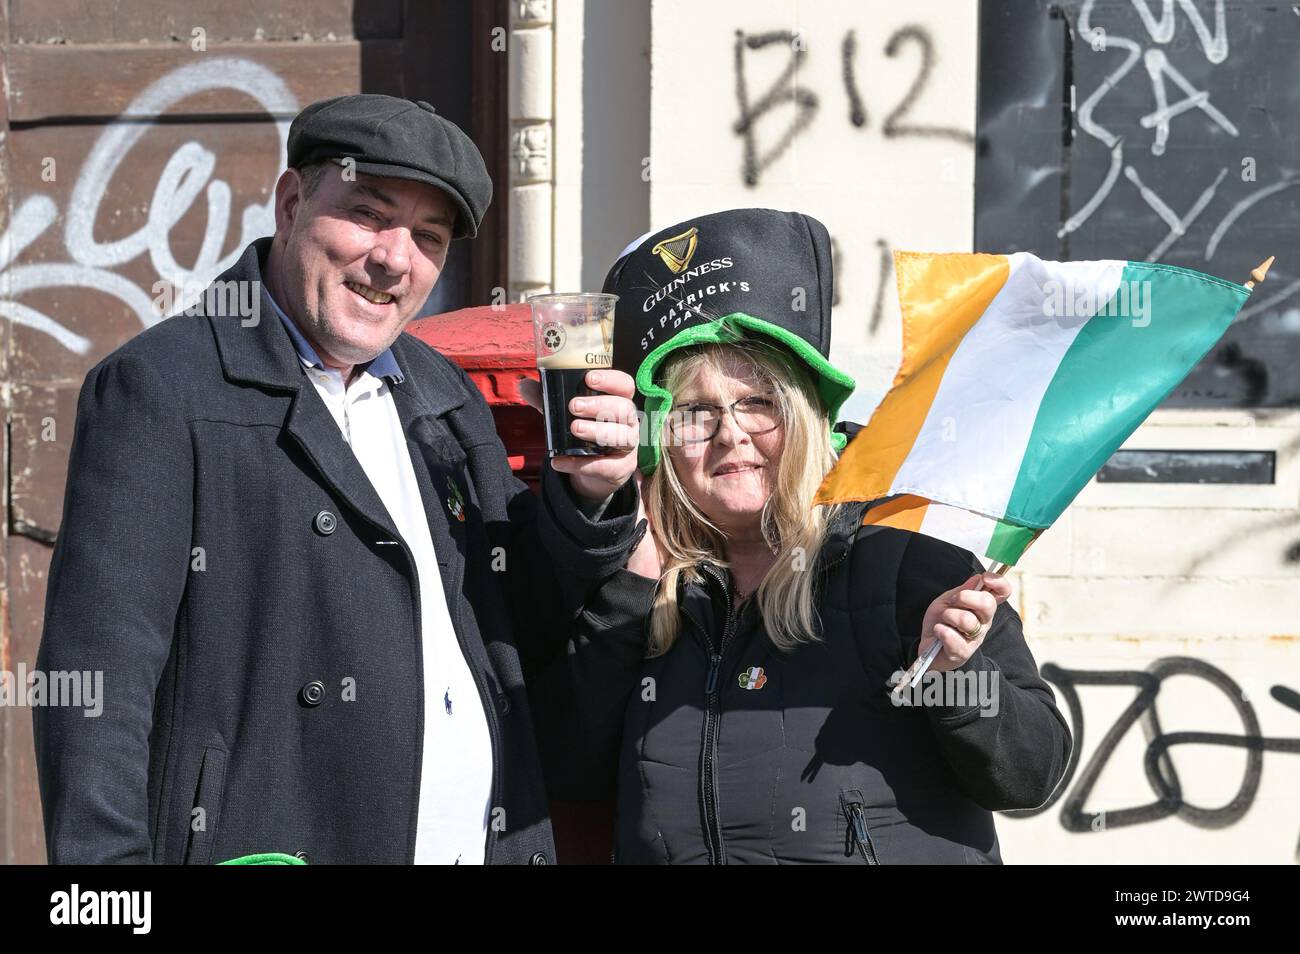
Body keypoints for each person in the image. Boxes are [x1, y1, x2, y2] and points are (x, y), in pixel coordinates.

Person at [33, 94, 642, 865]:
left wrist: (590, 497)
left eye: (428, 237)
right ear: (291, 205)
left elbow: (518, 620)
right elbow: (98, 689)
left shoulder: (444, 393)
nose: (394, 258)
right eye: (366, 214)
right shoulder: (163, 388)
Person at [530, 208, 1072, 864]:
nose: (732, 434)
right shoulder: (656, 592)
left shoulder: (903, 551)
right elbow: (572, 776)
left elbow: (1032, 774)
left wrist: (953, 675)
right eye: (697, 412)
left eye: (760, 403)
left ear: (810, 417)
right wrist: (634, 582)